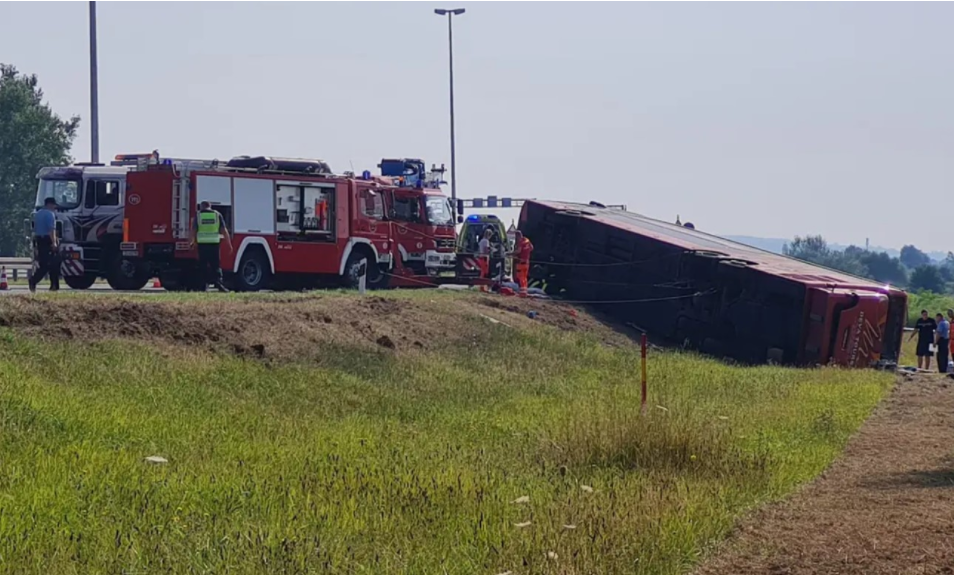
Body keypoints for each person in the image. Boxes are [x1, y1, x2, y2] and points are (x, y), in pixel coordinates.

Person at [191, 201, 233, 292]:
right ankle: (219, 285)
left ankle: (202, 287)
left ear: (201, 207)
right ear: (210, 206)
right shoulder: (217, 215)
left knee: (203, 266)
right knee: (216, 266)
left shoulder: (198, 216)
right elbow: (224, 230)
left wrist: (193, 242)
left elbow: (194, 229)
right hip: (214, 244)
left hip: (202, 244)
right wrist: (228, 244)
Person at [29, 197, 60, 293]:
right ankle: (34, 280)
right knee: (47, 264)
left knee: (52, 263)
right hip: (48, 240)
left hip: (39, 240)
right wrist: (54, 242)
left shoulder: (37, 214)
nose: (55, 207)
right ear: (50, 204)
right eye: (54, 205)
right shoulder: (50, 214)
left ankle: (54, 285)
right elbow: (51, 230)